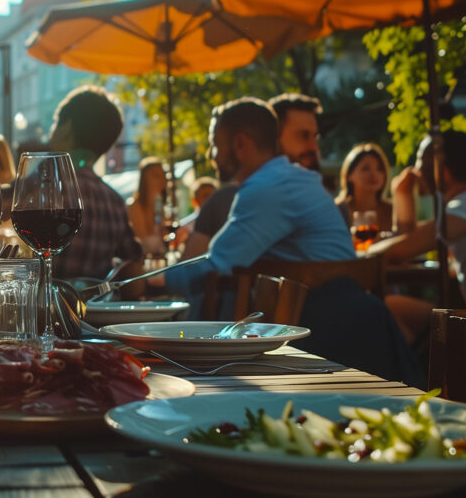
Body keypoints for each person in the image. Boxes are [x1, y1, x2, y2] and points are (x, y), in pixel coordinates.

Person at [150, 97, 422, 387]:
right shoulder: (293, 179)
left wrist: (148, 281)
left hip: (322, 338)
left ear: (240, 144)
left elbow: (218, 266)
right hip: (356, 326)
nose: (211, 154)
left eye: (215, 144)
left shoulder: (267, 188)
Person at [182, 93, 324, 259]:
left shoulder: (269, 189)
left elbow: (214, 264)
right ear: (275, 137)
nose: (314, 147)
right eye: (303, 135)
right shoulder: (292, 186)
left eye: (315, 137)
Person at [373, 130, 466, 343]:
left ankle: (417, 375)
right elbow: (412, 242)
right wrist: (404, 196)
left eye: (421, 160)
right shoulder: (457, 211)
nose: (415, 169)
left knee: (384, 307)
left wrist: (363, 252)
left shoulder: (461, 209)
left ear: (442, 169)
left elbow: (399, 250)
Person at [48, 85, 143, 285]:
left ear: (66, 128)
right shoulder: (115, 202)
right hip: (92, 310)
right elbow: (135, 265)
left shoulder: (43, 188)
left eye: (56, 122)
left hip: (45, 310)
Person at [334, 143, 394, 232]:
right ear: (349, 175)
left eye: (379, 169)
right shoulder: (337, 211)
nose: (374, 174)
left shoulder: (393, 211)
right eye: (365, 169)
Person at [127, 157, 168, 256]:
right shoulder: (134, 206)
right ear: (144, 180)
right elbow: (144, 245)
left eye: (163, 175)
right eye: (156, 175)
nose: (162, 179)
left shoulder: (159, 206)